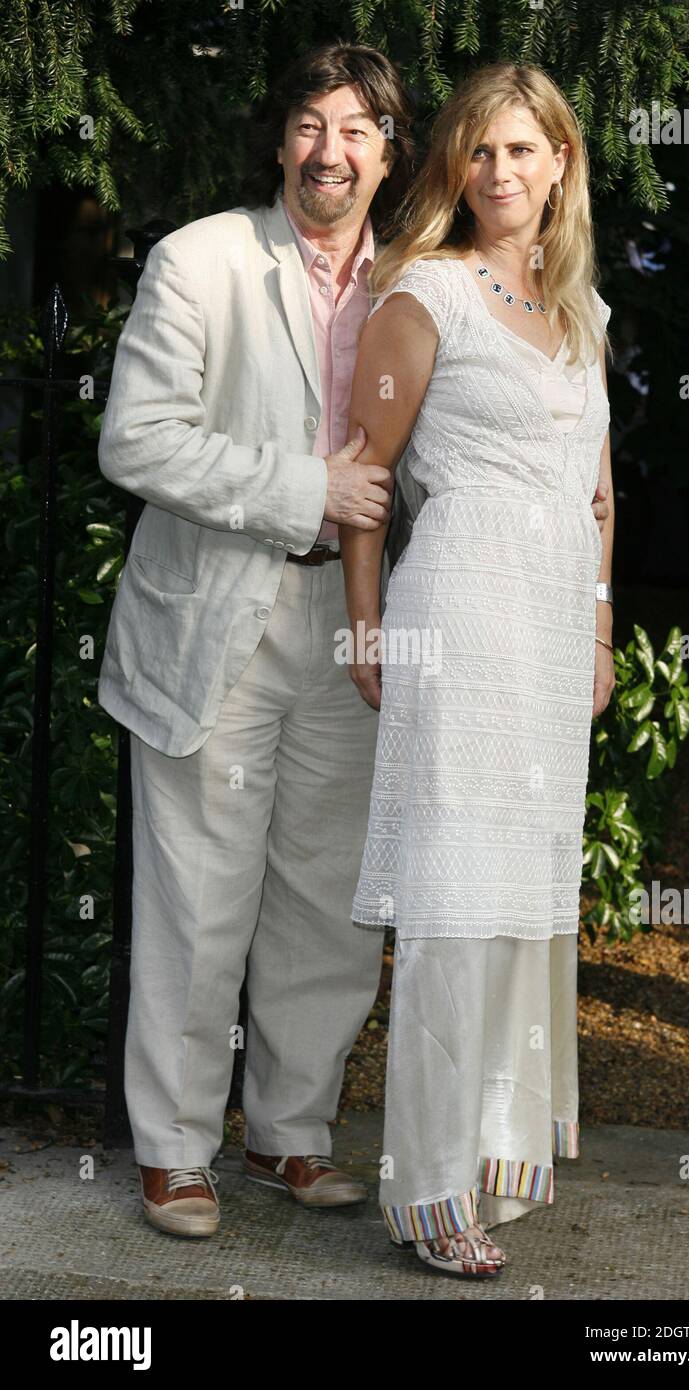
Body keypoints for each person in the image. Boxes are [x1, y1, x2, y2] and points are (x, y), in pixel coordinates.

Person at [95, 43, 415, 1237]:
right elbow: (136, 440)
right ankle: (175, 1150)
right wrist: (305, 490)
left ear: (388, 151)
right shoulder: (201, 260)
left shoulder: (420, 281)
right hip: (217, 615)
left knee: (328, 898)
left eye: (355, 131)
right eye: (308, 125)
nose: (329, 153)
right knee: (198, 894)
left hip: (357, 623)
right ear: (282, 139)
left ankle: (293, 1131)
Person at [341, 61, 616, 1278]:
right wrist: (364, 631)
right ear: (455, 167)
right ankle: (429, 1186)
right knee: (454, 912)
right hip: (457, 618)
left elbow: (600, 494)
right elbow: (365, 476)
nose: (501, 174)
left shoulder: (584, 314)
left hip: (553, 639)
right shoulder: (426, 295)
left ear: (561, 163)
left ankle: (502, 1154)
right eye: (480, 152)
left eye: (524, 151)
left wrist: (601, 633)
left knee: (520, 908)